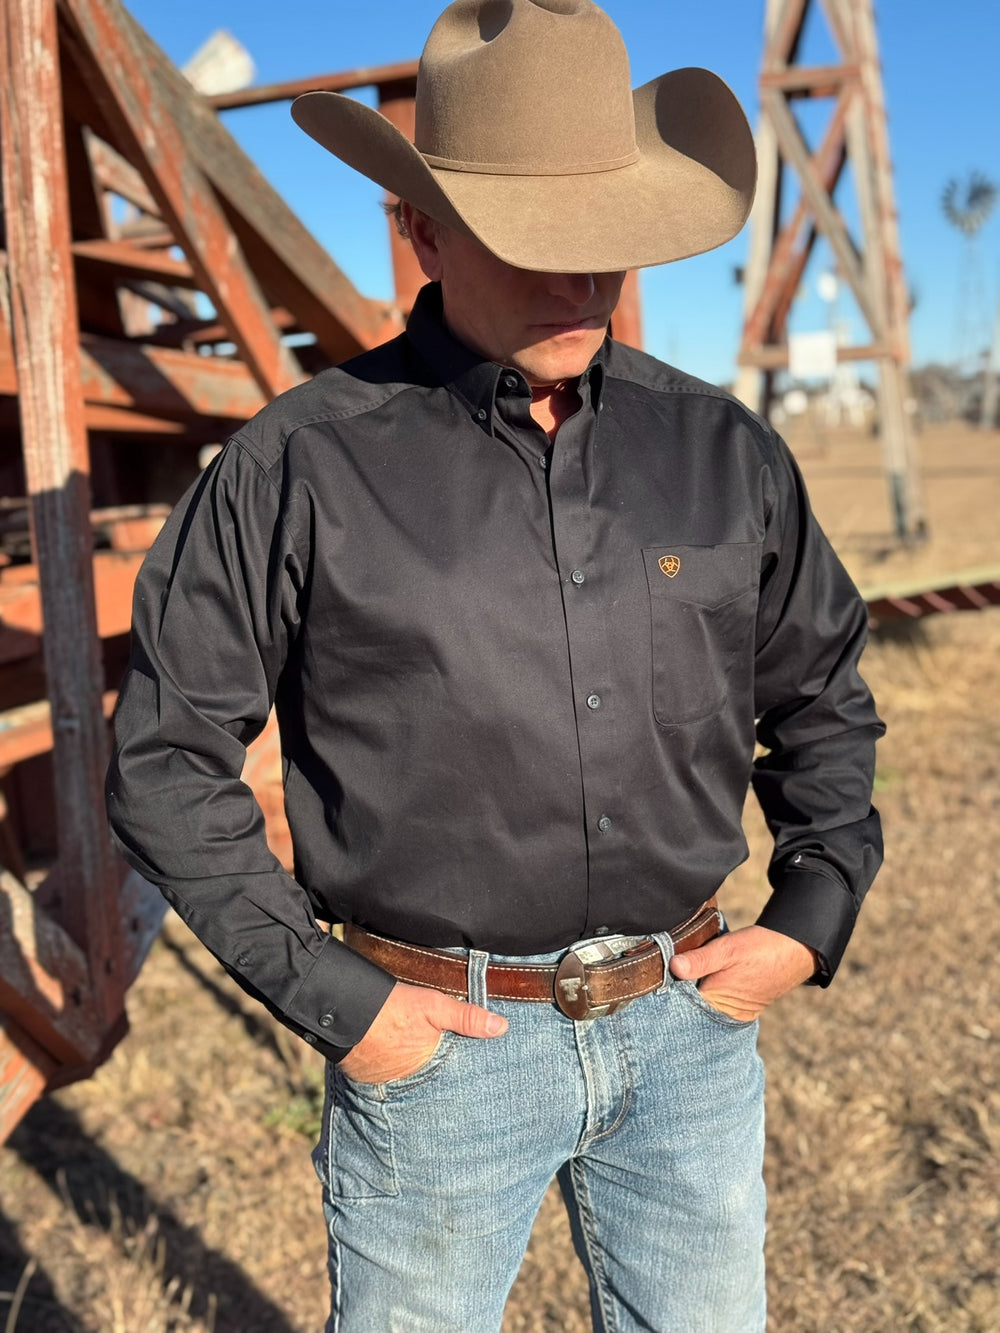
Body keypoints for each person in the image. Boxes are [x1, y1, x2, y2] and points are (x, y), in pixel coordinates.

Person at [107, 2, 884, 1329]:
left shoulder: (723, 451)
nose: (582, 284)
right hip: (435, 1054)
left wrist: (809, 917)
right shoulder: (300, 465)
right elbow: (166, 761)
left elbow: (824, 695)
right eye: (536, 242)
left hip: (689, 1029)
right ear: (422, 229)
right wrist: (345, 1004)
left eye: (607, 240)